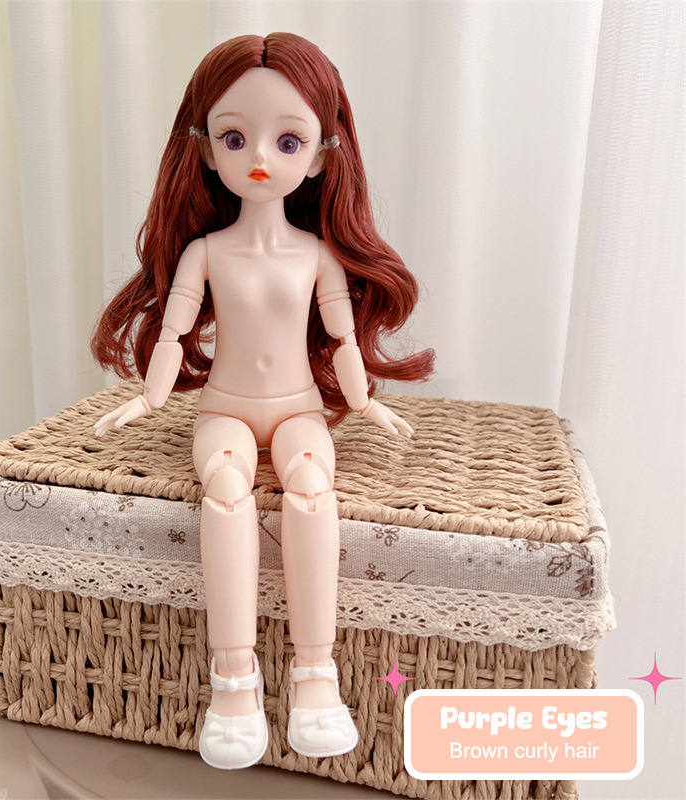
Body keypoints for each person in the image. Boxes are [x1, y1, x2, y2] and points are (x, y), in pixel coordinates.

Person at [92, 32, 433, 770]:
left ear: (320, 157)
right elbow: (173, 333)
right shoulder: (205, 253)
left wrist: (364, 401)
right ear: (205, 149)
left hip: (300, 409)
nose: (258, 159)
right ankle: (233, 683)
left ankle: (315, 676)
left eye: (288, 141)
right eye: (234, 137)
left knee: (311, 487)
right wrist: (149, 401)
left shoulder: (318, 256)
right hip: (224, 408)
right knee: (225, 489)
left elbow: (342, 338)